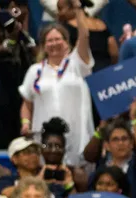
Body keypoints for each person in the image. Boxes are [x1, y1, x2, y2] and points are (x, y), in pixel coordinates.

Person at [19, 18, 94, 167]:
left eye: (58, 39)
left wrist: (78, 10)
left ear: (67, 42)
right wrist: (25, 124)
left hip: (77, 132)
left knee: (79, 174)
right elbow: (27, 104)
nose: (54, 44)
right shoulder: (35, 71)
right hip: (45, 136)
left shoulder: (78, 64)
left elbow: (84, 35)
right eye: (49, 41)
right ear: (44, 46)